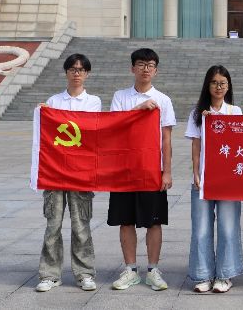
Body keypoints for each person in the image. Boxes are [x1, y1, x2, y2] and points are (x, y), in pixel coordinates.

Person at [108, 48, 176, 291]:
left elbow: (166, 138)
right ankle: (130, 270)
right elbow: (114, 125)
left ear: (156, 71)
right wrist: (139, 109)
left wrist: (167, 171)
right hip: (124, 169)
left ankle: (153, 270)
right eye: (141, 64)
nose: (145, 69)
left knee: (154, 222)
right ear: (132, 68)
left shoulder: (163, 100)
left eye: (150, 65)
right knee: (125, 221)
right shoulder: (120, 96)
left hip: (151, 169)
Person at [36, 53, 101, 292]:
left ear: (87, 74)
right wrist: (42, 112)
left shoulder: (93, 102)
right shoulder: (54, 101)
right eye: (73, 69)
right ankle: (50, 274)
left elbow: (92, 131)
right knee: (52, 225)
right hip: (54, 170)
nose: (77, 73)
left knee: (80, 225)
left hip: (81, 171)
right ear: (66, 72)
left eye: (81, 69)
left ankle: (84, 273)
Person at [185, 65, 243, 294]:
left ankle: (224, 275)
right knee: (201, 229)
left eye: (222, 83)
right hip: (203, 179)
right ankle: (203, 275)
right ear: (207, 85)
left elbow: (240, 142)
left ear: (228, 86)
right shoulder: (198, 113)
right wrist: (196, 173)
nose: (218, 87)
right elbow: (196, 146)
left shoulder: (234, 111)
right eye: (214, 83)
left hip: (228, 180)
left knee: (228, 229)